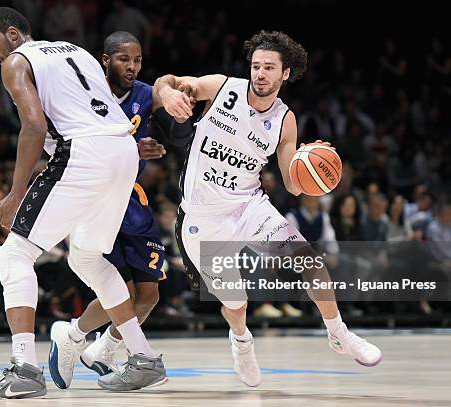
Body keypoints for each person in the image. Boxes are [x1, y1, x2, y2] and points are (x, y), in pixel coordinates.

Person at [154, 30, 382, 388]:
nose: (260, 73)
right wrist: (166, 91)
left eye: (269, 68)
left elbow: (293, 184)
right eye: (256, 66)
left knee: (309, 259)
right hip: (201, 215)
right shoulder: (220, 87)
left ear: (285, 74)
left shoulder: (284, 120)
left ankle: (339, 332)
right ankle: (242, 341)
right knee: (236, 303)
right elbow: (166, 82)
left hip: (249, 206)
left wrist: (313, 167)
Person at [0, 8, 166, 398]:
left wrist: (15, 191)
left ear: (12, 34)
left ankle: (24, 368)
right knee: (87, 258)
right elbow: (102, 110)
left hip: (83, 153)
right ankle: (143, 358)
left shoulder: (16, 62)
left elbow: (35, 126)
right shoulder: (78, 51)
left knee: (13, 255)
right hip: (123, 149)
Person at [53, 31, 171, 382]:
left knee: (148, 296)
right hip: (98, 199)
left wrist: (156, 144)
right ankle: (73, 336)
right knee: (120, 291)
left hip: (133, 201)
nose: (132, 66)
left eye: (137, 60)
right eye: (124, 59)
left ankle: (98, 348)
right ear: (105, 60)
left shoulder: (147, 95)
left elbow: (168, 124)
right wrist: (133, 149)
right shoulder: (87, 93)